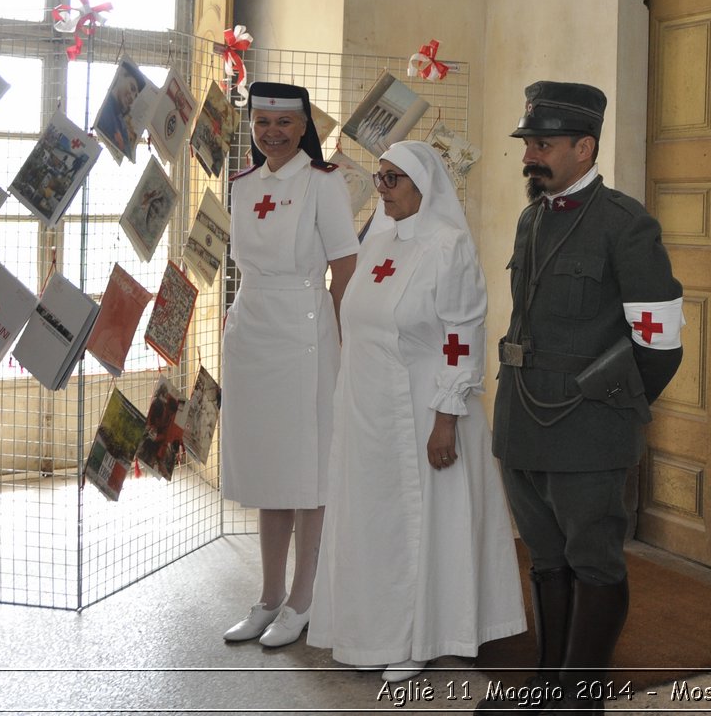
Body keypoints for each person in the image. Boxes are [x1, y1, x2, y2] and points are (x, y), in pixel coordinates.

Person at [479, 81, 683, 714]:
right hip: (524, 421)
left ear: (584, 146)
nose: (529, 156)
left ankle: (581, 698)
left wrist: (608, 410)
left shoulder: (625, 224)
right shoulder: (531, 218)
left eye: (542, 144)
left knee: (594, 560)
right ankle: (548, 686)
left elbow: (661, 341)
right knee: (545, 557)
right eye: (528, 144)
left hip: (588, 430)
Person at [309, 141, 525, 682]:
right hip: (370, 414)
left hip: (424, 409)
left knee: (419, 525)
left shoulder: (448, 247)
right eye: (379, 179)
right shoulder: (379, 241)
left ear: (423, 186)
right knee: (376, 525)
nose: (382, 190)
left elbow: (461, 335)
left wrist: (446, 414)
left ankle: (419, 637)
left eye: (393, 180)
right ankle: (372, 629)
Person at [219, 81, 359, 648]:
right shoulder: (242, 184)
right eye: (262, 124)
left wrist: (345, 342)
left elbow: (345, 268)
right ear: (252, 128)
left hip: (306, 333)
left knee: (307, 473)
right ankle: (268, 595)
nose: (272, 133)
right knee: (267, 471)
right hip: (250, 330)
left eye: (283, 124)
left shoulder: (323, 184)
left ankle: (303, 599)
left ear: (304, 128)